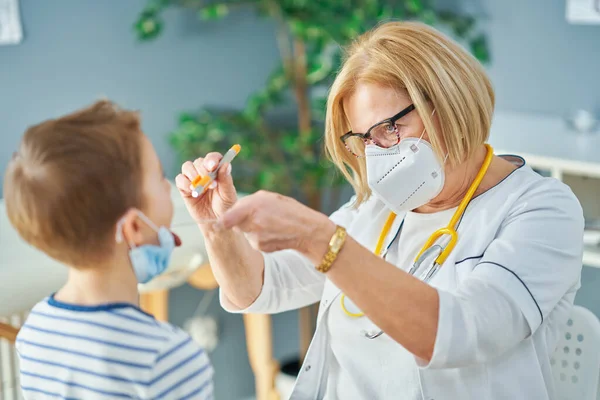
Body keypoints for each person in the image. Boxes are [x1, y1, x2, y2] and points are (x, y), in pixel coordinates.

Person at [176, 22, 584, 400]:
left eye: (391, 128)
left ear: (448, 101)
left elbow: (458, 333)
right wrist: (217, 226)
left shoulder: (542, 209)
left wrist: (322, 241)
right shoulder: (377, 211)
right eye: (364, 138)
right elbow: (261, 287)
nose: (378, 154)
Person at [4, 101, 214, 399]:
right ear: (133, 228)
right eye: (159, 177)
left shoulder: (35, 332)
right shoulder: (166, 359)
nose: (169, 187)